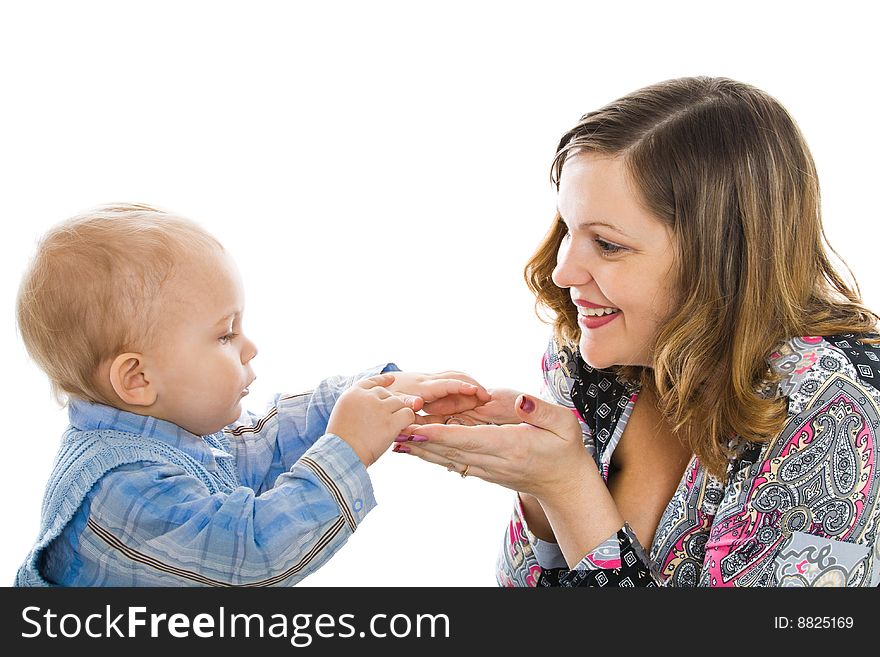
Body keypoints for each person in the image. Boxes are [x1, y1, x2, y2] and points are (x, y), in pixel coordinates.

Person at [395, 76, 880, 587]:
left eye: (607, 244)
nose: (563, 273)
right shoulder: (592, 353)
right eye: (567, 229)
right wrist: (535, 486)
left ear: (719, 257)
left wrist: (567, 488)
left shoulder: (835, 408)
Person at [15, 203, 489, 586]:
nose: (249, 347)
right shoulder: (120, 492)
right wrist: (347, 448)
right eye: (226, 334)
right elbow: (251, 557)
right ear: (137, 379)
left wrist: (371, 394)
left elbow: (257, 449)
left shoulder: (168, 434)